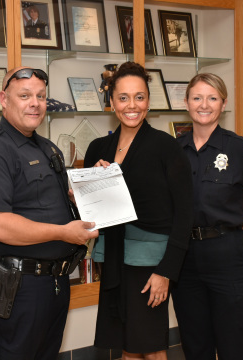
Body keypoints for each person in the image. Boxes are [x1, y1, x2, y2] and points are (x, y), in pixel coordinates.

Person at [0, 67, 98, 359]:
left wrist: (94, 188)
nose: (35, 103)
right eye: (24, 96)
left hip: (53, 283)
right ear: (4, 99)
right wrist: (63, 233)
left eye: (40, 96)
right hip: (17, 287)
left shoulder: (47, 148)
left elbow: (54, 203)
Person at [84, 61, 193, 360]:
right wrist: (84, 187)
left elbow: (185, 214)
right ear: (112, 102)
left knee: (152, 346)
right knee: (126, 346)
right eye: (123, 97)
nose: (132, 106)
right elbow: (89, 212)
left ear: (148, 100)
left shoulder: (166, 147)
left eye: (140, 97)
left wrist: (166, 272)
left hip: (151, 265)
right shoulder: (97, 149)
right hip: (114, 257)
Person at [172, 73, 243, 360]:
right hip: (185, 260)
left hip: (229, 257)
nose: (204, 104)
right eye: (197, 97)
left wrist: (241, 234)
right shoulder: (173, 150)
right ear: (186, 103)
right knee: (195, 345)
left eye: (212, 98)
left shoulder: (240, 148)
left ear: (223, 103)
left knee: (233, 344)